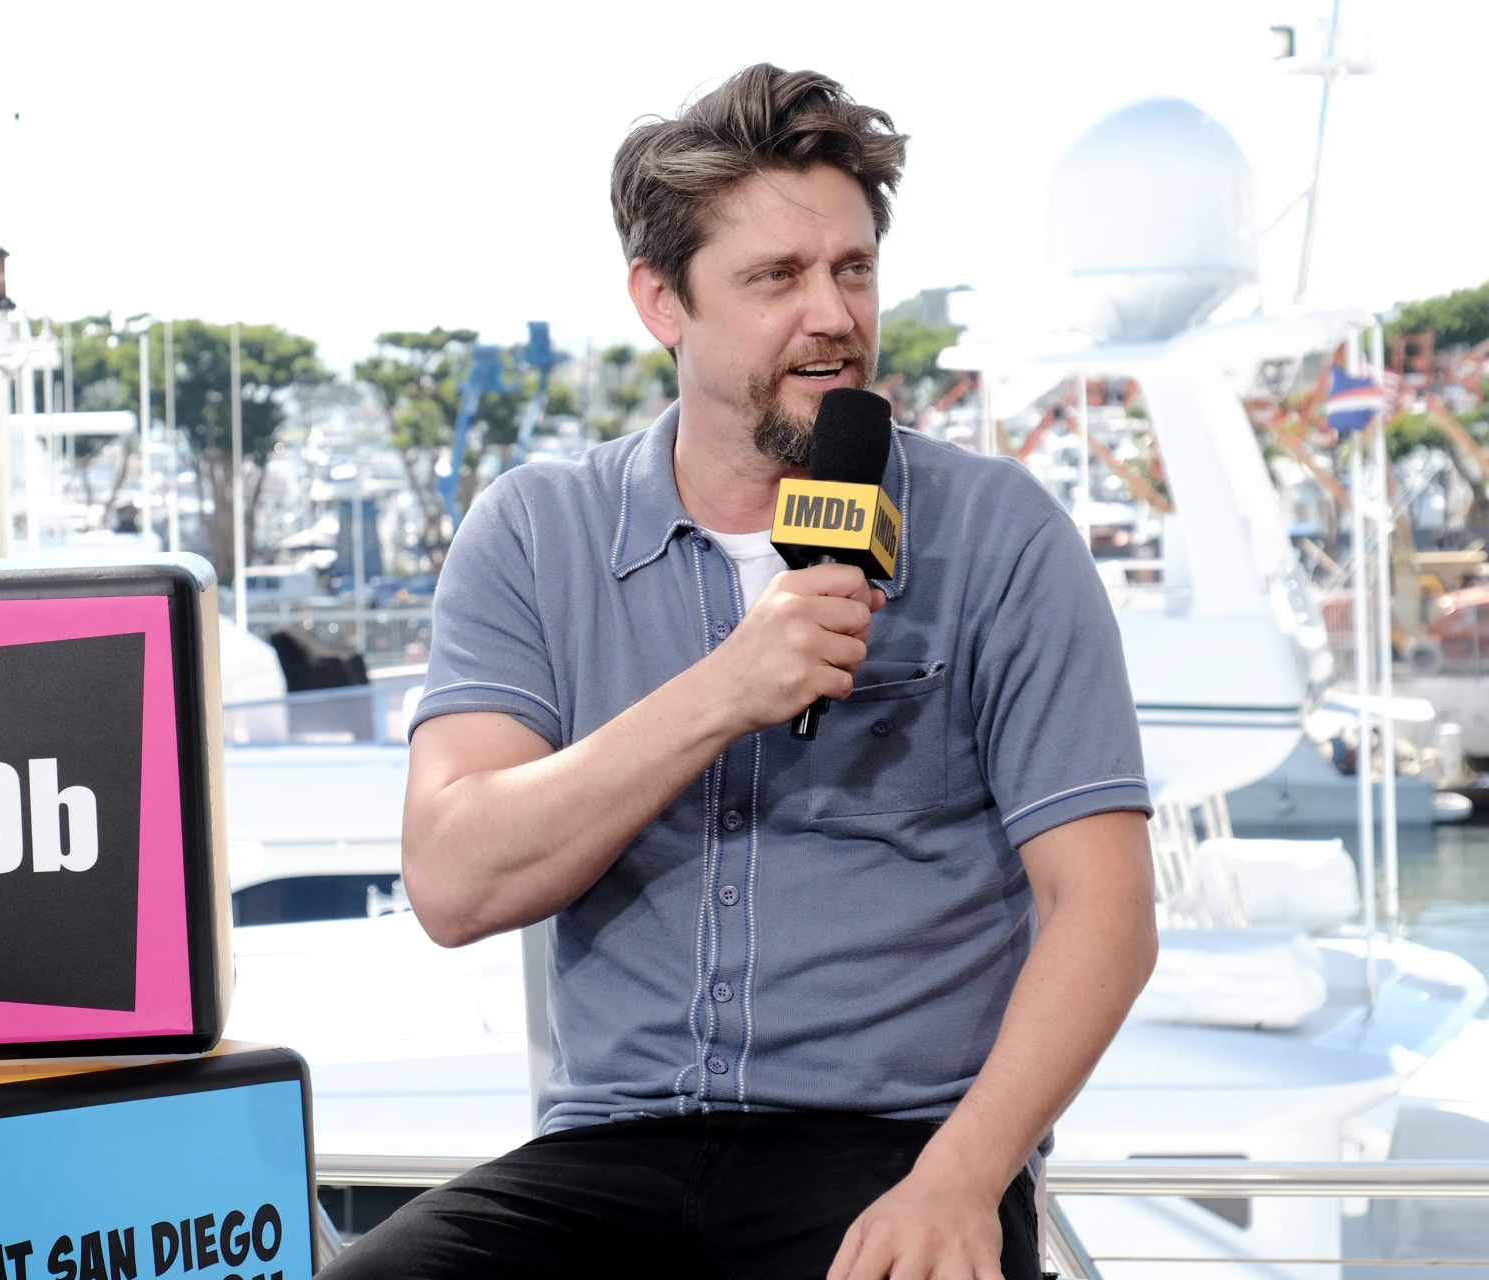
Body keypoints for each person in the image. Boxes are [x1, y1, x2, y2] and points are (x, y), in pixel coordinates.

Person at [326, 64, 1158, 1280]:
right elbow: (453, 880)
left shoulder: (1000, 531)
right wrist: (725, 688)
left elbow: (1107, 910)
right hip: (608, 1153)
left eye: (854, 268)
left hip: (894, 1150)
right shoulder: (534, 530)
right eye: (777, 277)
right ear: (662, 301)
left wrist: (964, 1180)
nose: (832, 313)